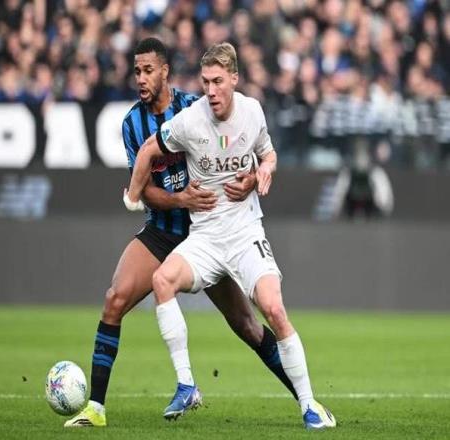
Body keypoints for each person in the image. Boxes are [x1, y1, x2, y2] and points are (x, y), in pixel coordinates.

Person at [65, 37, 298, 428]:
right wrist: (180, 199)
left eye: (148, 71)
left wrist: (249, 178)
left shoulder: (196, 107)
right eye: (136, 71)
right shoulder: (132, 124)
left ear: (165, 71)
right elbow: (144, 190)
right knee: (114, 300)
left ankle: (305, 398)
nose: (141, 78)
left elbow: (239, 155)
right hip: (162, 230)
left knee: (247, 326)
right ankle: (96, 409)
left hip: (205, 232)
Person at [124, 42, 336, 430]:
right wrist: (133, 195)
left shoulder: (252, 112)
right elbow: (148, 151)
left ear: (234, 79)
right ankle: (186, 384)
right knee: (162, 280)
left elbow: (268, 154)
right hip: (205, 236)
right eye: (205, 82)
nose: (211, 90)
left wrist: (261, 173)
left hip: (244, 233)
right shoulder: (190, 120)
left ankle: (310, 406)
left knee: (273, 310)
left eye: (218, 81)